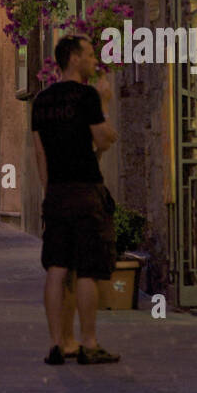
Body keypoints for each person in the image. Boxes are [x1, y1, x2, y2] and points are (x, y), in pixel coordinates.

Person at [31, 34, 120, 366]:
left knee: (56, 268)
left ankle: (57, 343)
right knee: (86, 269)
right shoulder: (87, 96)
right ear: (73, 58)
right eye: (89, 54)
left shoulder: (42, 100)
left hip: (55, 191)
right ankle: (89, 342)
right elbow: (104, 139)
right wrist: (106, 104)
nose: (94, 59)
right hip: (85, 189)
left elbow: (39, 153)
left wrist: (47, 191)